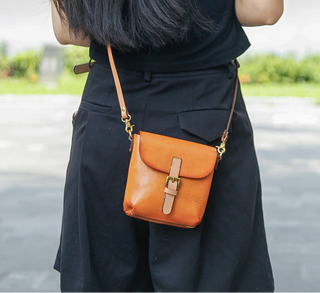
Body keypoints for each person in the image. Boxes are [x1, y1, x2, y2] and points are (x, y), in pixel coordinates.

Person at [51, 0, 284, 292]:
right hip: (205, 116)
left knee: (103, 275)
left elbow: (70, 30)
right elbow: (263, 10)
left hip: (113, 110)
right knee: (215, 277)